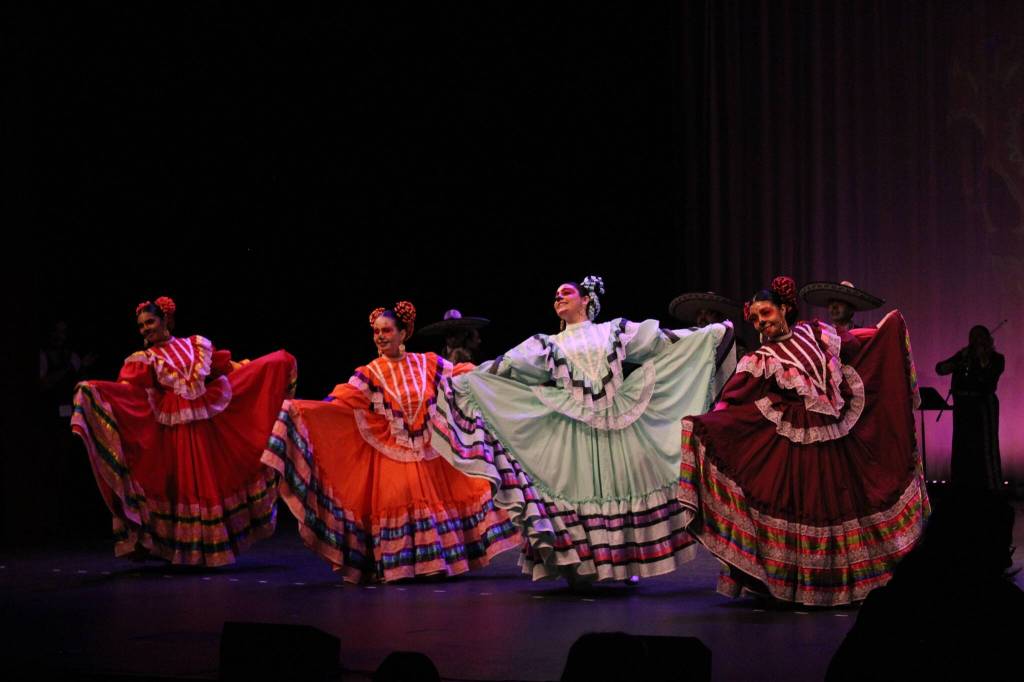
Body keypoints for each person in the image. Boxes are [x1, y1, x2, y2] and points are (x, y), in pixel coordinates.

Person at [432, 276, 734, 583]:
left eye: (566, 292)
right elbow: (509, 365)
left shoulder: (612, 330)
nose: (558, 297)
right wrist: (476, 373)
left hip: (619, 424)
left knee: (618, 487)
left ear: (586, 300)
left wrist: (707, 334)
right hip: (573, 429)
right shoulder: (548, 344)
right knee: (577, 488)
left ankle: (620, 565)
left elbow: (659, 339)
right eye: (555, 295)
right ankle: (583, 568)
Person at [680, 276, 929, 606]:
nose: (760, 323)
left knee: (847, 503)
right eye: (754, 319)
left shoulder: (815, 333)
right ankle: (801, 584)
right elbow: (733, 398)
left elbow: (852, 342)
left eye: (765, 313)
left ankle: (847, 580)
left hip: (837, 436)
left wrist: (883, 331)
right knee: (807, 508)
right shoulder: (762, 358)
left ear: (783, 309)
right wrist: (705, 425)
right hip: (797, 444)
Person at [262, 301, 518, 583]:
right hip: (390, 457)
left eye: (386, 330)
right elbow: (340, 402)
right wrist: (303, 411)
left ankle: (433, 563)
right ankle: (400, 566)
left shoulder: (428, 364)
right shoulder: (369, 373)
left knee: (442, 503)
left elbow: (461, 376)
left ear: (403, 333)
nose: (380, 336)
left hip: (430, 455)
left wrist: (498, 372)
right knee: (398, 504)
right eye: (376, 332)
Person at [71, 296, 297, 565]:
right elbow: (130, 392)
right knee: (183, 487)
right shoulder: (143, 359)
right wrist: (97, 392)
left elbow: (225, 368)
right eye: (141, 326)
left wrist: (258, 369)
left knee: (210, 482)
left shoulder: (196, 345)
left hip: (206, 428)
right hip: (173, 434)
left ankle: (211, 548)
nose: (145, 329)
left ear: (165, 320)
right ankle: (185, 551)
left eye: (150, 322)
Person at [936, 325, 1005, 491]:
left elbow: (987, 380)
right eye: (973, 337)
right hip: (963, 408)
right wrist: (959, 360)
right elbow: (940, 369)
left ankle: (992, 490)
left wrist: (982, 360)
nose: (976, 341)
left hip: (983, 408)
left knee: (986, 448)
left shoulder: (997, 359)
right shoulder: (964, 356)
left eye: (980, 337)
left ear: (988, 340)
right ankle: (963, 490)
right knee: (963, 448)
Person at [798, 280, 884, 334]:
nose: (834, 307)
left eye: (841, 302)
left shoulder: (862, 335)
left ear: (851, 309)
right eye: (831, 302)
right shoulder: (823, 333)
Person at [418, 309, 489, 363]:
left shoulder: (475, 355)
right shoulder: (436, 356)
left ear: (464, 333)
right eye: (449, 333)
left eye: (457, 332)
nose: (453, 337)